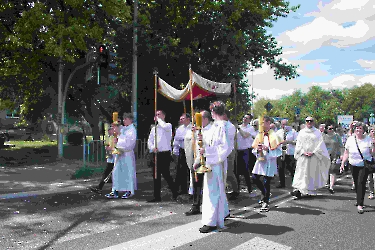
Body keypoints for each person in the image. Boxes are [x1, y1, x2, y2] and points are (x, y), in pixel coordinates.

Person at [196, 101, 229, 233]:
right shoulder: (213, 127)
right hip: (210, 162)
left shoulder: (222, 126)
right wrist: (201, 138)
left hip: (216, 163)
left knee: (212, 192)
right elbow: (207, 143)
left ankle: (211, 222)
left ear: (214, 112)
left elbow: (224, 147)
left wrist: (208, 153)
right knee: (213, 192)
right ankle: (221, 214)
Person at [340, 122, 375, 214]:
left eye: (360, 128)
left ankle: (360, 204)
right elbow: (346, 152)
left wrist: (373, 145)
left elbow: (372, 153)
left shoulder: (368, 139)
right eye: (357, 128)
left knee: (361, 183)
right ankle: (359, 199)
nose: (358, 130)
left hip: (364, 165)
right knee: (356, 183)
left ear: (363, 130)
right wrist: (343, 163)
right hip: (353, 164)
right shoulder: (350, 139)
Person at [291, 117, 330, 199]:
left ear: (313, 122)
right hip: (303, 156)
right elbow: (299, 144)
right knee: (302, 173)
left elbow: (320, 144)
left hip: (314, 156)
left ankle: (311, 190)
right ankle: (300, 190)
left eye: (311, 121)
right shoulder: (301, 132)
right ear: (305, 122)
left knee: (312, 173)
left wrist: (314, 152)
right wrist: (303, 152)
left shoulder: (317, 132)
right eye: (307, 121)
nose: (309, 122)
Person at [184, 110, 212, 216]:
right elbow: (191, 142)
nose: (196, 121)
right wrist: (193, 133)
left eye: (198, 119)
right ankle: (196, 205)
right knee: (197, 184)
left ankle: (210, 207)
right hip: (198, 159)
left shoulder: (211, 129)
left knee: (208, 185)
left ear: (205, 119)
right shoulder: (198, 129)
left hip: (208, 160)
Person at [251, 116, 282, 212]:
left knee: (266, 181)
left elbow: (279, 151)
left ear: (268, 123)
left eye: (263, 122)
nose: (261, 125)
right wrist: (257, 150)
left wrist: (267, 149)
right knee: (254, 178)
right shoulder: (259, 134)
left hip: (269, 160)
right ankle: (264, 193)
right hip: (260, 160)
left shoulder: (275, 135)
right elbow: (254, 148)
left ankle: (265, 202)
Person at [147, 110, 178, 202]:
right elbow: (150, 141)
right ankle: (157, 196)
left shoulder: (168, 125)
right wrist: (152, 148)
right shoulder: (154, 129)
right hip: (156, 153)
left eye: (159, 115)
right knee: (156, 175)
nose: (157, 116)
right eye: (156, 115)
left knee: (166, 175)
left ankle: (175, 193)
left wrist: (159, 120)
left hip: (165, 153)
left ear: (164, 116)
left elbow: (164, 126)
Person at [105, 113, 137, 199]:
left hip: (127, 154)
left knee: (127, 172)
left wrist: (119, 140)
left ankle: (129, 190)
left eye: (126, 119)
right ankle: (115, 190)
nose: (124, 120)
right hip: (119, 153)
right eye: (124, 119)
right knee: (116, 172)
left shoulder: (132, 130)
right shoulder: (125, 129)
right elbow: (117, 129)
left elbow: (129, 143)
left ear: (130, 120)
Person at [90, 122, 120, 194]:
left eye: (111, 129)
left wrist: (111, 148)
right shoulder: (110, 137)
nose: (109, 131)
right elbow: (107, 145)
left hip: (115, 157)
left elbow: (117, 147)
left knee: (109, 173)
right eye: (108, 130)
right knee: (109, 173)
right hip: (111, 158)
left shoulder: (116, 137)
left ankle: (101, 187)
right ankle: (103, 187)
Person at [234, 114, 257, 196]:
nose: (244, 119)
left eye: (246, 118)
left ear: (249, 120)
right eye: (244, 117)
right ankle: (237, 189)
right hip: (237, 151)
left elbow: (244, 135)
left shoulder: (250, 128)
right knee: (236, 171)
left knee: (245, 170)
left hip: (245, 151)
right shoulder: (238, 127)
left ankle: (249, 188)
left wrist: (238, 128)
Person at [275, 119, 298, 188]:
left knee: (291, 168)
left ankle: (295, 183)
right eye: (283, 124)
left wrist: (288, 142)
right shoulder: (278, 132)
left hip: (290, 152)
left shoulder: (293, 132)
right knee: (280, 168)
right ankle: (282, 183)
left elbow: (296, 142)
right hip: (281, 152)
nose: (284, 126)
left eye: (285, 124)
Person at [173, 113, 191, 195]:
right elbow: (177, 139)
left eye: (182, 118)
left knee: (190, 169)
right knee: (180, 170)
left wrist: (183, 138)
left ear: (188, 119)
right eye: (180, 119)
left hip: (190, 150)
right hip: (182, 150)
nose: (181, 120)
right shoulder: (179, 129)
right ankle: (182, 189)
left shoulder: (192, 127)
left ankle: (191, 189)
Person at [323, 124, 343, 194]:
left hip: (335, 155)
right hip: (325, 155)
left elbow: (341, 146)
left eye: (332, 128)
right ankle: (326, 183)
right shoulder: (323, 136)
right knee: (326, 170)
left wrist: (342, 154)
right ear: (326, 129)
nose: (331, 130)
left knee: (333, 170)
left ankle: (331, 186)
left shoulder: (337, 136)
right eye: (330, 128)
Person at [223, 110, 238, 200]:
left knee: (229, 172)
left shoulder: (230, 126)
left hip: (229, 152)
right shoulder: (221, 125)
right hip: (223, 151)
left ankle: (235, 190)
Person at [368, 126, 375, 200]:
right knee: (370, 178)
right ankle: (371, 192)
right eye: (372, 131)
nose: (373, 132)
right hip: (369, 160)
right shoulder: (367, 140)